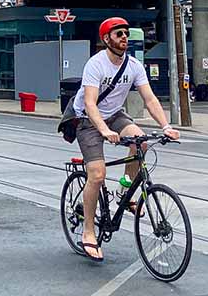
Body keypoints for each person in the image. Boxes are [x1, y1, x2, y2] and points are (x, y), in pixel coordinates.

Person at [70, 17, 179, 262]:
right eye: (118, 34)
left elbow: (150, 99)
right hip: (88, 120)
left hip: (115, 115)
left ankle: (125, 192)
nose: (124, 39)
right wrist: (104, 131)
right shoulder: (96, 65)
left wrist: (166, 126)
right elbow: (89, 103)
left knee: (141, 140)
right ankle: (88, 232)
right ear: (106, 39)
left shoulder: (134, 66)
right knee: (97, 174)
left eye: (126, 34)